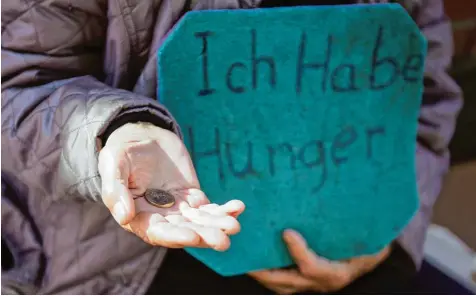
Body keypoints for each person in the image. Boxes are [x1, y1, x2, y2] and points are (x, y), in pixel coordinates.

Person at [1, 0, 462, 294]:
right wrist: (111, 131)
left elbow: (424, 94)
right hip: (128, 263)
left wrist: (390, 235)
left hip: (349, 248)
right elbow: (14, 84)